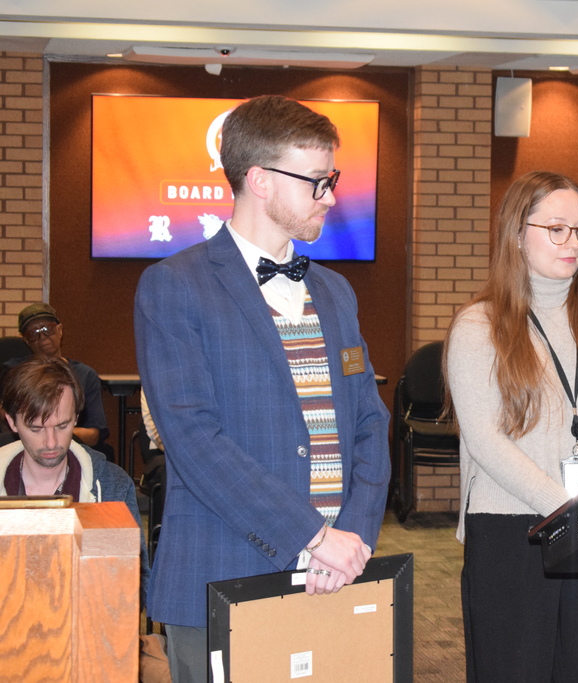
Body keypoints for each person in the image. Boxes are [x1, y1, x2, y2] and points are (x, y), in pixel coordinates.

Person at [134, 95, 390, 682]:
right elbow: (195, 441)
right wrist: (311, 535)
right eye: (317, 182)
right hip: (223, 571)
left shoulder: (335, 292)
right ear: (261, 181)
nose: (330, 196)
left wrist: (351, 534)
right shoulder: (174, 286)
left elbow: (370, 423)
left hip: (335, 572)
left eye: (332, 179)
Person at [444, 171, 578, 683]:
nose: (573, 243)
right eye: (557, 228)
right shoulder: (479, 326)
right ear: (517, 233)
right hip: (513, 527)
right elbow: (485, 440)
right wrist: (566, 508)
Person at [0, 357, 148, 603]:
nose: (51, 442)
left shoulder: (110, 486)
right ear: (11, 422)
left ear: (77, 417)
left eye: (62, 425)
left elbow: (134, 586)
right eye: (36, 429)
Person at [2, 303, 110, 451]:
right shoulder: (13, 372)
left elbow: (93, 435)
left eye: (48, 329)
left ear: (60, 330)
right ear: (26, 341)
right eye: (33, 334)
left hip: (74, 450)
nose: (43, 337)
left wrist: (52, 430)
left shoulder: (85, 374)